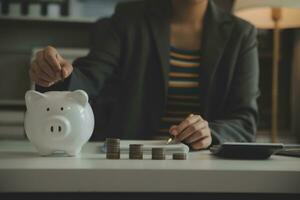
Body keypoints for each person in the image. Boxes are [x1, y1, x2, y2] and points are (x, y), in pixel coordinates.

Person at [29, 0, 260, 150]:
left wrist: (211, 132)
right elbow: (90, 77)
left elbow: (244, 121)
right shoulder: (129, 18)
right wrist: (58, 75)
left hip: (204, 165)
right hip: (130, 160)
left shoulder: (241, 34)